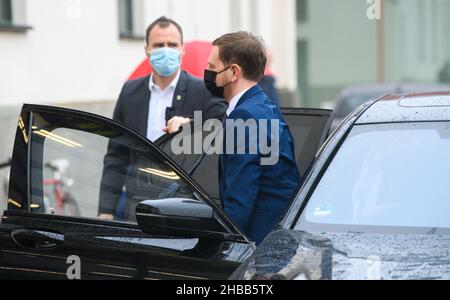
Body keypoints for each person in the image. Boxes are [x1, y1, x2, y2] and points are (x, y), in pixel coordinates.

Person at [98, 16, 227, 220]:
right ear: (147, 49)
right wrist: (106, 209)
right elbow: (117, 155)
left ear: (182, 49)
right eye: (158, 44)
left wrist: (192, 126)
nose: (166, 50)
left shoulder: (202, 91)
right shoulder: (130, 91)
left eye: (172, 44)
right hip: (138, 201)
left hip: (184, 204)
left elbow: (226, 128)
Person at [204, 31, 301, 244]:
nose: (207, 72)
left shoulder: (245, 116)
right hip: (277, 236)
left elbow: (241, 198)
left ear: (233, 72)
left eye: (212, 67)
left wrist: (225, 243)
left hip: (258, 244)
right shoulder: (262, 105)